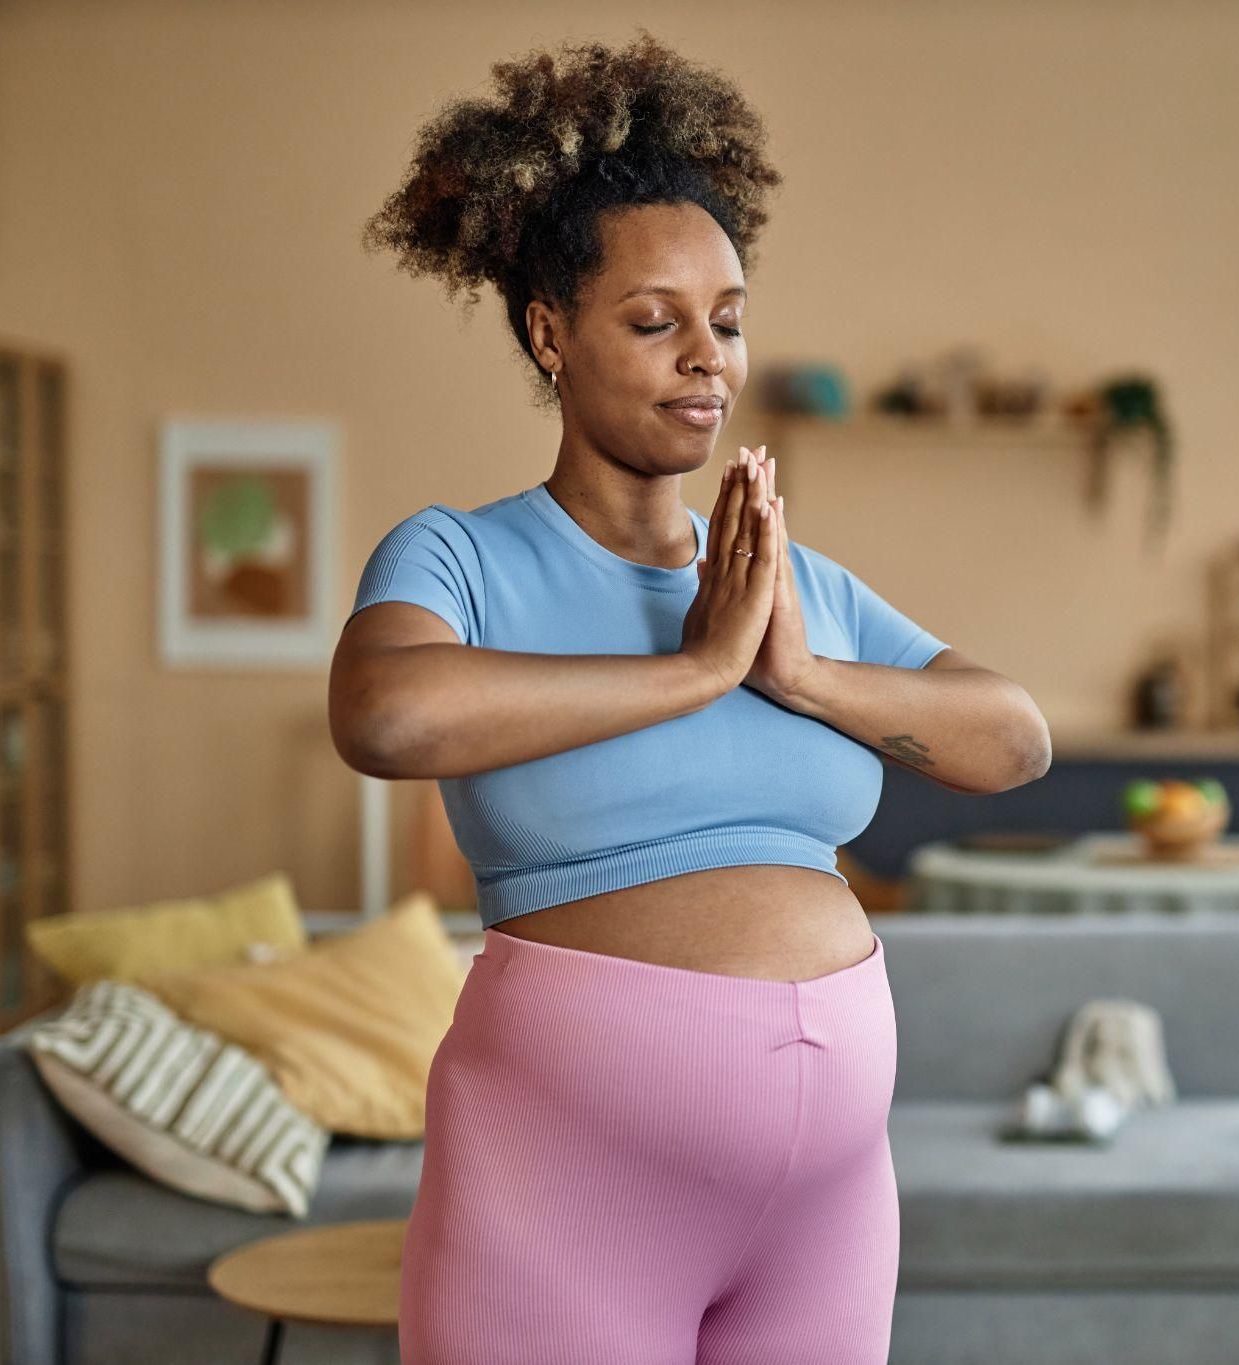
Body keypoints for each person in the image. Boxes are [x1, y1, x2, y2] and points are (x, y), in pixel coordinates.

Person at [334, 30, 1051, 1365]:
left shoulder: (789, 583)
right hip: (563, 1192)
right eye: (653, 320)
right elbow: (385, 715)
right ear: (551, 333)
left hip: (826, 1208)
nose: (704, 359)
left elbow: (1015, 737)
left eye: (725, 319)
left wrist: (798, 672)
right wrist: (692, 671)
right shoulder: (461, 556)